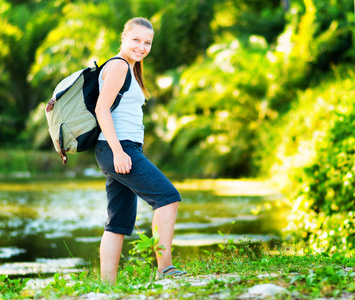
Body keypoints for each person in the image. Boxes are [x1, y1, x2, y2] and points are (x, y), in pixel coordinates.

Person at [94, 17, 185, 284]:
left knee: (119, 221)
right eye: (136, 40)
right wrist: (119, 152)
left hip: (118, 148)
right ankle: (164, 268)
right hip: (118, 148)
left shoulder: (130, 68)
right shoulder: (120, 66)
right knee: (168, 197)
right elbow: (102, 109)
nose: (142, 46)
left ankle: (106, 286)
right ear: (123, 38)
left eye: (147, 43)